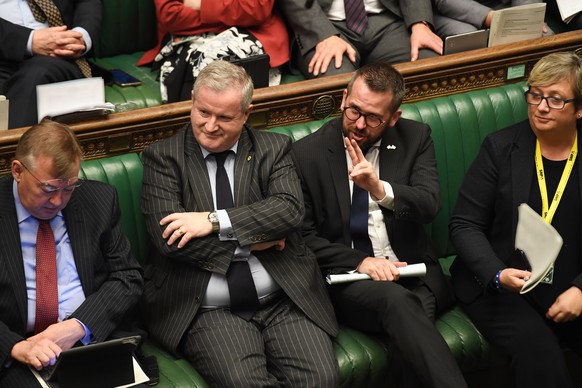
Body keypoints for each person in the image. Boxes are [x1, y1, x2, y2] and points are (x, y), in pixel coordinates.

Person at [141, 60, 339, 387]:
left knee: (321, 379)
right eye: (203, 112)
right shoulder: (164, 158)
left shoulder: (272, 149)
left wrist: (215, 221)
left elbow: (289, 211)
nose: (210, 125)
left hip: (281, 298)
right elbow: (169, 239)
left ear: (246, 114)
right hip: (208, 308)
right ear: (192, 99)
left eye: (225, 117)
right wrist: (253, 239)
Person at [292, 62, 467, 387]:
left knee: (408, 341)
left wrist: (379, 190)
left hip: (412, 273)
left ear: (393, 117)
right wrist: (363, 261)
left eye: (373, 118)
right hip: (352, 280)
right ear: (343, 98)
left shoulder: (416, 137)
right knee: (401, 306)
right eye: (354, 111)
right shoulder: (306, 153)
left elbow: (429, 205)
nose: (359, 124)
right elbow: (302, 238)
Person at [449, 51, 582, 388]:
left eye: (555, 99)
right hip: (503, 287)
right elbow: (464, 224)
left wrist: (581, 290)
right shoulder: (501, 147)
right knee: (540, 355)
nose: (540, 106)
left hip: (569, 284)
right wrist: (496, 272)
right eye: (535, 94)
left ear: (579, 109)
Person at [0, 120, 144, 387]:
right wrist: (15, 347)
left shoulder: (98, 201)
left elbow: (128, 277)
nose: (58, 201)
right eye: (49, 189)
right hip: (19, 350)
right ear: (18, 171)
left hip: (88, 341)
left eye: (68, 188)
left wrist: (78, 326)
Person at [137, 0, 289, 103]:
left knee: (213, 66)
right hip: (188, 40)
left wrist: (202, 4)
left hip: (252, 35)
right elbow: (170, 15)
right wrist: (228, 14)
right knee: (194, 69)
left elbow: (256, 8)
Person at [0, 1, 101, 129]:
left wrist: (80, 37)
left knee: (36, 74)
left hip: (56, 57)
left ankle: (13, 148)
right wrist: (29, 40)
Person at [277, 0, 442, 79]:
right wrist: (324, 34)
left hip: (385, 20)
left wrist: (420, 23)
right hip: (324, 26)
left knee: (429, 67)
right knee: (339, 81)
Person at [432, 0, 552, 38]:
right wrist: (492, 18)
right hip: (449, 11)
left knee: (544, 36)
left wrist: (530, 13)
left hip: (502, 4)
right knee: (470, 37)